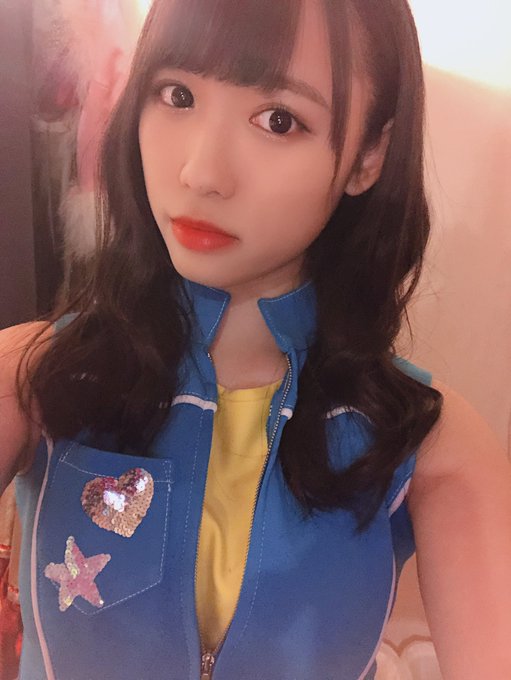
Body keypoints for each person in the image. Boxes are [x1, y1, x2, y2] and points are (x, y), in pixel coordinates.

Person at [1, 0, 510, 678]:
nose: (201, 173)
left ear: (368, 156)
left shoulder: (433, 445)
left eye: (278, 120)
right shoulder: (32, 378)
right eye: (177, 95)